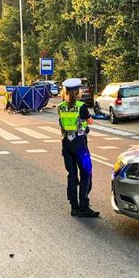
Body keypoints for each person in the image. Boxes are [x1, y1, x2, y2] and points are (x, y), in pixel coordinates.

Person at [58, 78, 99, 218]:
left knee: (72, 175)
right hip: (80, 145)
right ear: (78, 92)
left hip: (66, 145)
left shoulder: (60, 107)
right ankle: (84, 205)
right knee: (86, 173)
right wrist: (89, 118)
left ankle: (74, 207)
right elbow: (90, 122)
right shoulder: (81, 106)